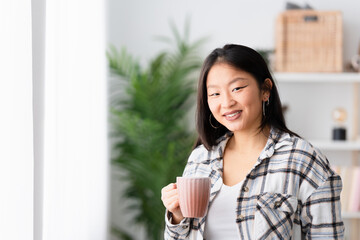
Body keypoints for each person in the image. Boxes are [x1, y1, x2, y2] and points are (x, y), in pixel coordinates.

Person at [161, 44, 344, 240]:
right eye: (215, 93)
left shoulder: (303, 160)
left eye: (237, 88)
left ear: (265, 90)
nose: (226, 102)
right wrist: (177, 216)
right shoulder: (201, 158)